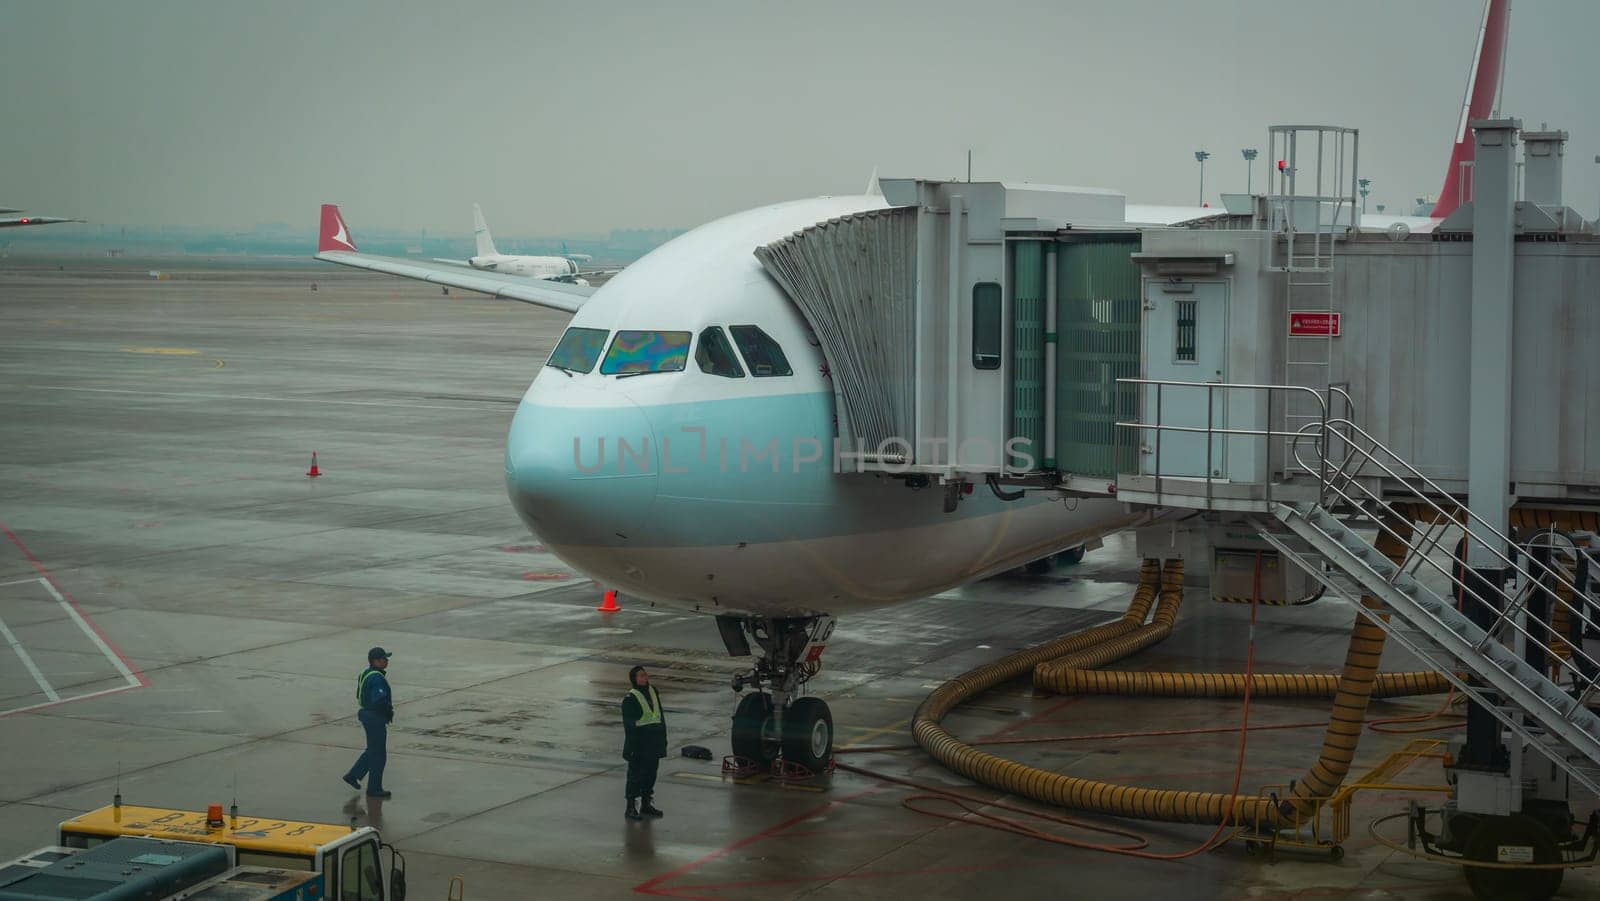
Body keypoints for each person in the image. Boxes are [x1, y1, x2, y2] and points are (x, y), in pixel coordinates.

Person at [342, 647, 394, 800]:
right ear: (376, 661)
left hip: (366, 714)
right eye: (384, 658)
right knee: (379, 754)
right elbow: (380, 699)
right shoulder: (377, 678)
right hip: (375, 717)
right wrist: (387, 711)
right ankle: (374, 788)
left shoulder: (365, 673)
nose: (387, 661)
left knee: (373, 750)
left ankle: (353, 775)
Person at [621, 665, 666, 820]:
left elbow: (660, 717)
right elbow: (629, 726)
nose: (644, 678)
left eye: (645, 675)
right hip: (639, 744)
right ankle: (631, 806)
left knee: (650, 774)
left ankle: (646, 803)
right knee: (635, 776)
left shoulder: (653, 692)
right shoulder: (630, 699)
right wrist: (631, 748)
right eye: (640, 676)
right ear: (634, 679)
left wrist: (663, 741)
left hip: (653, 743)